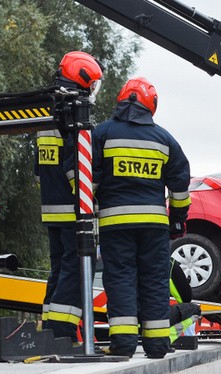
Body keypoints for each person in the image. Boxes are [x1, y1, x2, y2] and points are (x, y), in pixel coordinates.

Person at [92, 77, 191, 358]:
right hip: (154, 226)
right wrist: (177, 220)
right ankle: (157, 345)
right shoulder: (164, 139)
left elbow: (88, 179)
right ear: (151, 106)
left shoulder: (103, 134)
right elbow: (180, 186)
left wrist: (93, 205)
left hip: (115, 224)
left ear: (122, 99)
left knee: (121, 277)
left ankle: (122, 345)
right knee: (155, 279)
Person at [37, 51, 102, 341]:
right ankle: (62, 333)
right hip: (73, 210)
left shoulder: (46, 115)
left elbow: (39, 171)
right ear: (83, 78)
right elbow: (75, 167)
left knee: (58, 271)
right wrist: (90, 202)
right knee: (75, 273)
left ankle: (49, 328)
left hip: (50, 208)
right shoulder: (71, 113)